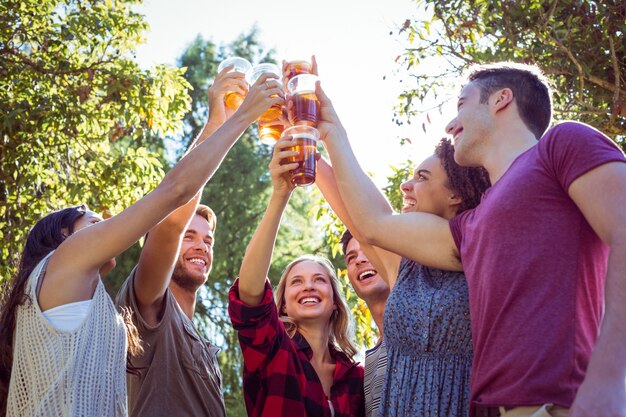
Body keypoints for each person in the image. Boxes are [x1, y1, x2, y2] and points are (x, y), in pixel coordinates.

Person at [316, 61, 626, 417]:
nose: (450, 125)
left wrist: (609, 379)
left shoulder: (561, 145)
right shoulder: (470, 227)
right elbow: (373, 223)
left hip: (569, 402)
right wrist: (329, 131)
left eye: (461, 104)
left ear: (501, 99)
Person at [0, 69, 283, 417]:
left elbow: (178, 203)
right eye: (88, 215)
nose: (101, 218)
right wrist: (241, 116)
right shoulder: (66, 259)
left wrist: (219, 121)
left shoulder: (85, 304)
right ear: (63, 236)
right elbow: (174, 197)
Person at [313, 138, 490, 416]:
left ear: (455, 194)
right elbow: (359, 217)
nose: (405, 186)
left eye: (422, 177)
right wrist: (311, 150)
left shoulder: (485, 255)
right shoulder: (404, 265)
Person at [114, 66, 251, 416]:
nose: (202, 245)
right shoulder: (147, 305)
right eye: (188, 237)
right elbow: (172, 214)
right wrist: (219, 124)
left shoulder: (205, 347)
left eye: (208, 240)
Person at [227, 142, 365, 417]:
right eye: (297, 281)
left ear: (335, 303)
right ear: (284, 306)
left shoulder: (357, 378)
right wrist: (280, 195)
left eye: (319, 280)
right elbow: (250, 295)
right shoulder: (272, 351)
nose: (309, 286)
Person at [338, 229, 388, 417]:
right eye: (351, 258)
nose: (359, 260)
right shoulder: (367, 366)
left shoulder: (426, 323)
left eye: (369, 249)